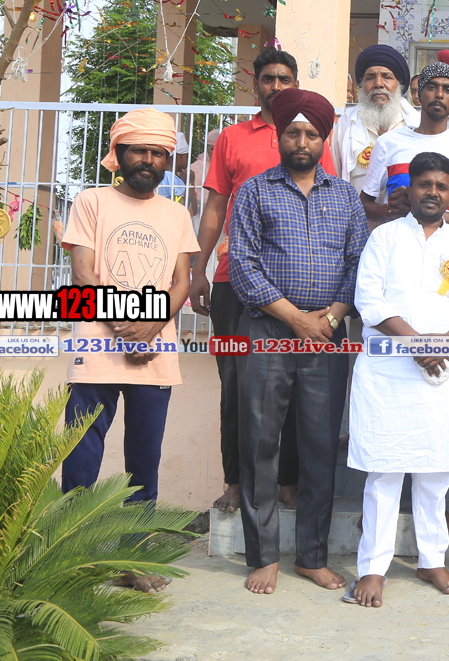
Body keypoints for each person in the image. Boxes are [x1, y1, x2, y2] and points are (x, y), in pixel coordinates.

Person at [229, 87, 368, 596]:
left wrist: (328, 317)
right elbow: (242, 265)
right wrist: (295, 318)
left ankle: (312, 556)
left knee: (319, 446)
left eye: (311, 133)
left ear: (324, 138)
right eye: (293, 132)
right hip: (268, 330)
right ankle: (263, 556)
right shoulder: (255, 192)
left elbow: (359, 263)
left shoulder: (346, 197)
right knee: (260, 442)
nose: (302, 141)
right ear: (280, 137)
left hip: (328, 334)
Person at [189, 47, 336, 514]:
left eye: (284, 79)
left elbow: (326, 204)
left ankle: (287, 481)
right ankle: (235, 481)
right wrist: (198, 269)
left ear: (296, 84)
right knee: (235, 383)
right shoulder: (232, 138)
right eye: (268, 78)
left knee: (295, 384)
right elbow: (215, 208)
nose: (276, 86)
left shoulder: (310, 138)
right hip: (236, 280)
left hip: (297, 285)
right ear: (256, 84)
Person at [60, 107, 201, 594]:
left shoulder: (177, 214)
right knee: (81, 460)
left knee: (144, 464)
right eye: (138, 150)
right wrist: (127, 330)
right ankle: (70, 559)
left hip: (155, 355)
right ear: (118, 154)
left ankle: (133, 560)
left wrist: (153, 326)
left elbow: (182, 282)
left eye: (158, 153)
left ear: (167, 160)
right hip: (97, 349)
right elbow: (83, 273)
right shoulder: (92, 201)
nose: (148, 160)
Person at [345, 152, 449, 607]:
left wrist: (442, 344)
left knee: (436, 472)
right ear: (408, 189)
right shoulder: (384, 237)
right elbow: (369, 300)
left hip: (443, 374)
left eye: (442, 186)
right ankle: (373, 568)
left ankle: (432, 560)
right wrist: (417, 344)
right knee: (384, 474)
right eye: (425, 184)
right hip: (389, 374)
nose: (433, 192)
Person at [361, 62, 449, 236]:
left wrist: (430, 214)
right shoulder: (389, 143)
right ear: (419, 94)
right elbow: (362, 205)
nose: (439, 94)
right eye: (431, 87)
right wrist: (390, 210)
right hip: (398, 247)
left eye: (448, 90)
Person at [333, 44, 419, 196]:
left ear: (399, 84)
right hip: (356, 210)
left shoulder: (416, 125)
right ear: (361, 85)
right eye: (370, 77)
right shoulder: (345, 125)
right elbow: (334, 178)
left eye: (387, 77)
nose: (378, 84)